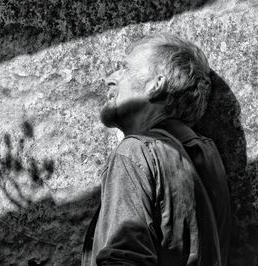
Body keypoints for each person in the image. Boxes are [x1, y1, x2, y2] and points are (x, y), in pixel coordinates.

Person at [82, 33, 231, 266]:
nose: (108, 78)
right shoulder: (208, 155)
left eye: (124, 68)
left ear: (155, 85)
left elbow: (122, 260)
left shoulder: (135, 153)